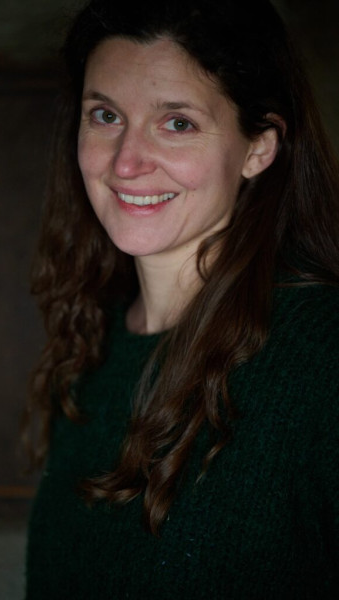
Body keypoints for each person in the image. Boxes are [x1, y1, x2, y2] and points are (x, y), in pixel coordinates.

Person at [24, 0, 339, 597]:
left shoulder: (322, 357)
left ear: (258, 148)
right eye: (106, 116)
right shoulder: (88, 341)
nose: (126, 162)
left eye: (177, 124)